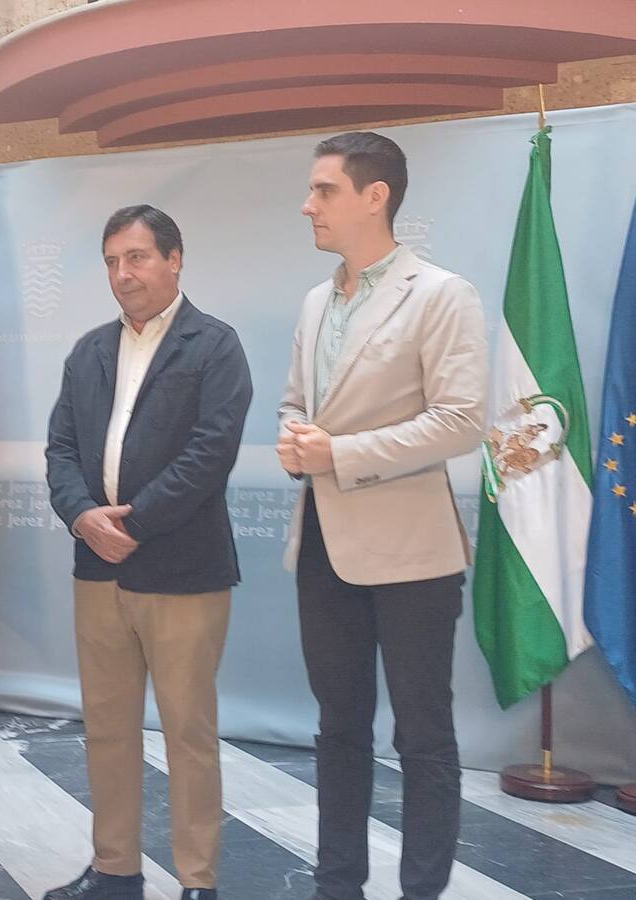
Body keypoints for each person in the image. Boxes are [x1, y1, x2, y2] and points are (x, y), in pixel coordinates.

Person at [277, 132, 488, 900]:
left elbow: (461, 421)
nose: (308, 205)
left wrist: (339, 453)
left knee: (423, 734)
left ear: (376, 197)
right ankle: (338, 886)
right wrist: (295, 438)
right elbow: (297, 402)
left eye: (324, 190)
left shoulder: (442, 294)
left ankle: (421, 891)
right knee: (338, 728)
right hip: (323, 546)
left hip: (413, 553)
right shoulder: (315, 300)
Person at [45, 205, 252, 900]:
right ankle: (115, 870)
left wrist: (135, 522)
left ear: (174, 259)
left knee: (188, 732)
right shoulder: (89, 352)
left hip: (183, 571)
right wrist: (82, 515)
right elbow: (61, 448)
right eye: (111, 261)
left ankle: (197, 881)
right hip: (97, 570)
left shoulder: (214, 346)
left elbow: (210, 452)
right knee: (107, 728)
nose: (122, 274)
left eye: (136, 257)